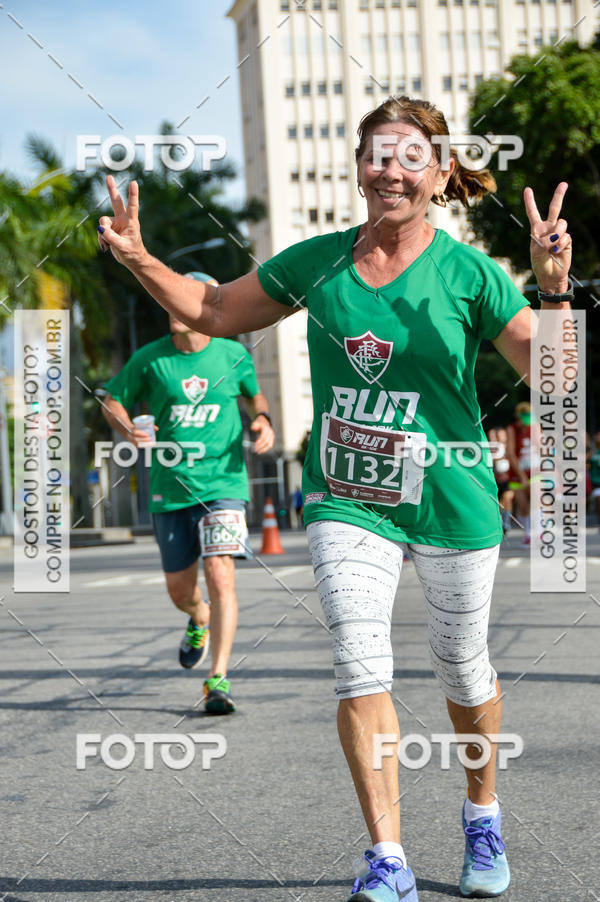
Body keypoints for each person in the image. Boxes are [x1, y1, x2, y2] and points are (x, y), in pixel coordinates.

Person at [97, 96, 573, 900]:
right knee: (359, 662)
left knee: (463, 670)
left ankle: (482, 812)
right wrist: (141, 258)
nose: (392, 170)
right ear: (357, 168)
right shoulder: (317, 263)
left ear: (439, 175)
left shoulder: (471, 274)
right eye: (378, 154)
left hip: (452, 497)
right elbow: (214, 309)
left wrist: (554, 293)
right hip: (348, 496)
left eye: (411, 157)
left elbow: (556, 384)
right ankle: (388, 857)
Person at [101, 272, 274, 714]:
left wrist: (262, 420)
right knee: (181, 591)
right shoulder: (150, 359)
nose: (173, 307)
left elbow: (255, 398)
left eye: (186, 298)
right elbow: (112, 400)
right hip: (170, 488)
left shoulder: (233, 355)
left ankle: (218, 679)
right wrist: (127, 428)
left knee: (221, 573)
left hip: (223, 485)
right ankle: (199, 616)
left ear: (207, 307)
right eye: (169, 299)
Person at [505, 402, 540, 545]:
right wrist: (522, 477)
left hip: (534, 470)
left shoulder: (535, 426)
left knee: (536, 500)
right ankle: (527, 533)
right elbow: (510, 454)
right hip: (517, 472)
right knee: (523, 506)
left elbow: (541, 447)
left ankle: (539, 533)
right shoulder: (511, 429)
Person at [488, 426, 514, 535]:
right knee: (497, 502)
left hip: (507, 481)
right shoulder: (490, 450)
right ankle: (498, 521)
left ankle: (506, 522)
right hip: (494, 481)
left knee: (508, 497)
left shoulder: (508, 448)